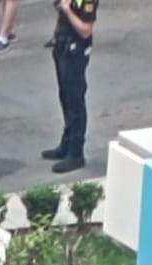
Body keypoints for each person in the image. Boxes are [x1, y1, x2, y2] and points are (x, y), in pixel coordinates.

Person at [42, 0, 95, 173]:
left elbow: (86, 30)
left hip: (75, 50)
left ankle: (76, 153)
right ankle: (66, 144)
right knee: (65, 97)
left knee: (75, 100)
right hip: (62, 45)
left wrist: (66, 8)